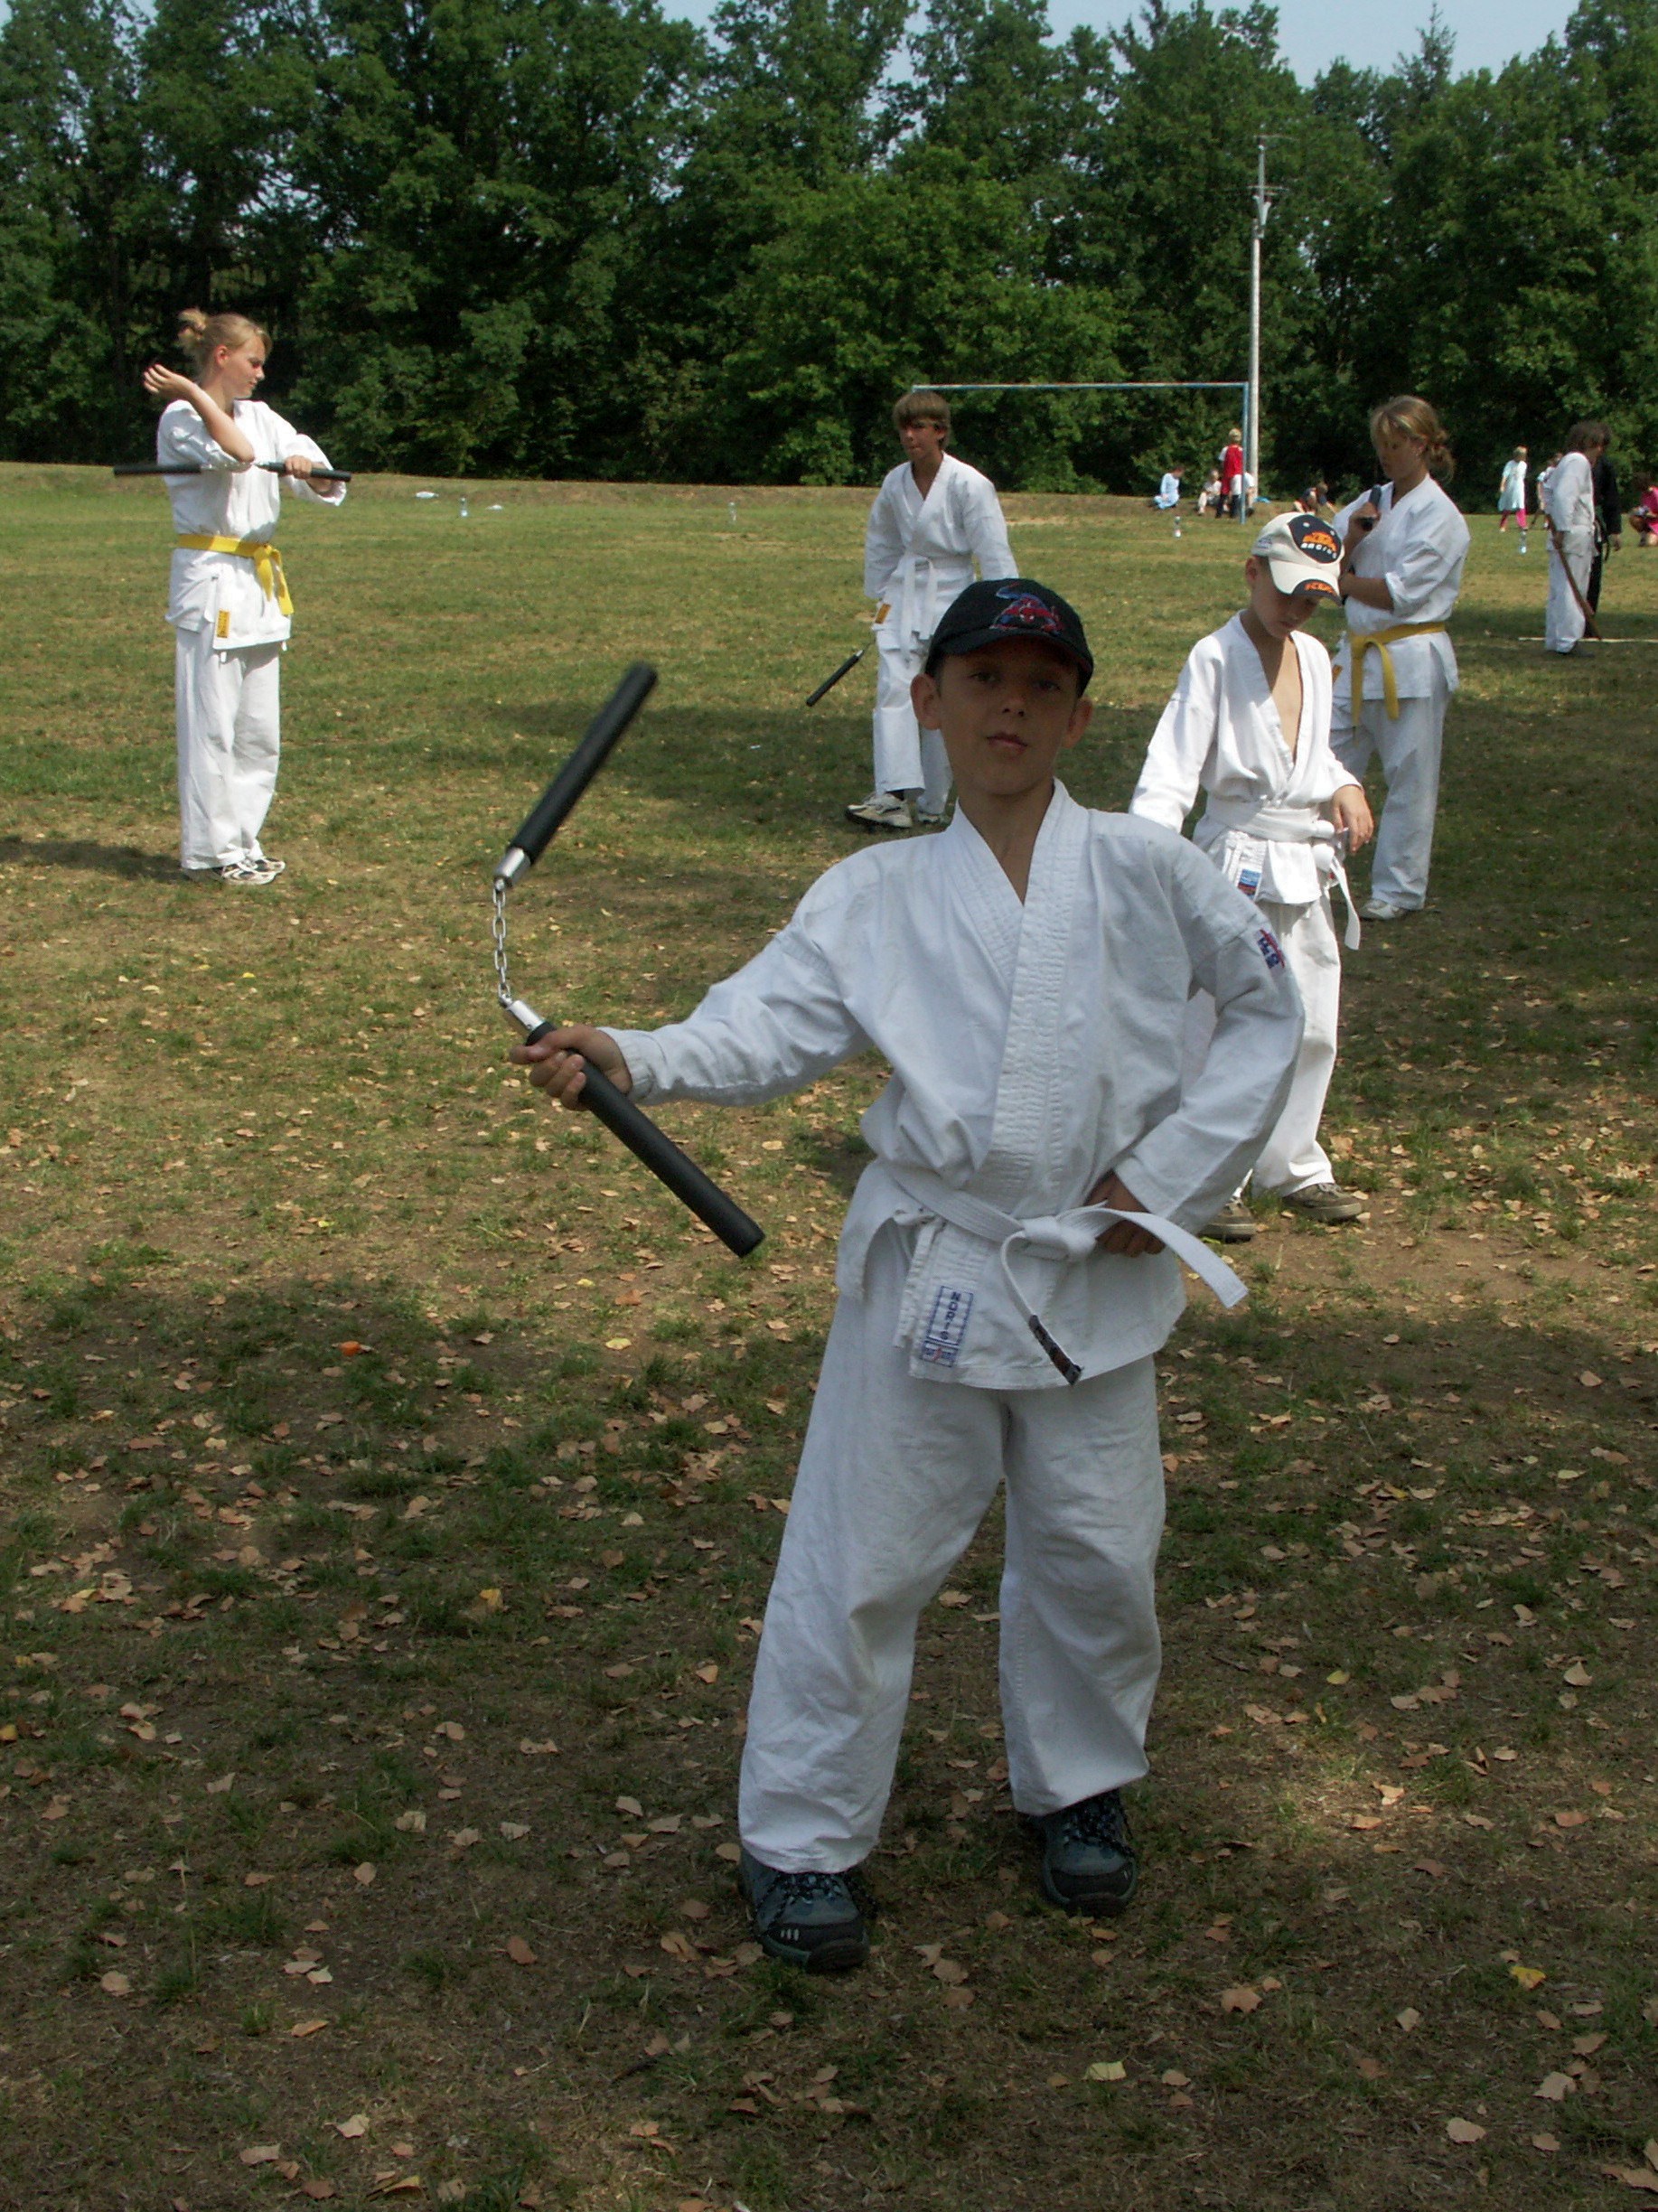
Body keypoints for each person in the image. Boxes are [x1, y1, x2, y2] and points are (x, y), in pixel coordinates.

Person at [515, 578, 1303, 1972]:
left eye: (1041, 688)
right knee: (861, 1562)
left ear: (1077, 719)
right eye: (982, 681)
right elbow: (760, 1028)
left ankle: (1079, 1786)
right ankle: (801, 1838)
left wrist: (1168, 1179)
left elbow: (1263, 1008)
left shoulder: (1147, 868)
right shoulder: (871, 894)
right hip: (934, 1266)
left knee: (1096, 1552)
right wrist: (632, 1054)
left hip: (1093, 1262)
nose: (1011, 708)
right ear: (927, 701)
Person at [1130, 514, 1372, 1243]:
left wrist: (1342, 783)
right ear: (1251, 571)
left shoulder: (1313, 656)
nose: (1297, 608)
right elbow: (1171, 769)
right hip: (1232, 862)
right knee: (1219, 1025)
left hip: (1302, 861)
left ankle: (1290, 1163)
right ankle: (1208, 1174)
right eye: (1287, 590)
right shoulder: (1214, 657)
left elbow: (1310, 754)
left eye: (1313, 598)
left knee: (1313, 1021)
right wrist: (1148, 866)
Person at [144, 307, 346, 885]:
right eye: (253, 362)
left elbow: (327, 479)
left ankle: (243, 842)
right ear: (222, 357)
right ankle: (210, 853)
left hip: (258, 587)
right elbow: (239, 454)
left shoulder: (261, 415)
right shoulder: (181, 418)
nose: (260, 373)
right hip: (210, 579)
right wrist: (191, 390)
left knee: (258, 731)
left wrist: (310, 470)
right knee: (211, 726)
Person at [846, 390, 1016, 834]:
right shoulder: (895, 482)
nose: (909, 436)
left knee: (942, 697)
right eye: (904, 428)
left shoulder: (969, 485)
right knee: (894, 691)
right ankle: (892, 795)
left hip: (953, 594)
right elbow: (881, 540)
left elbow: (993, 551)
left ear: (939, 432)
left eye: (918, 427)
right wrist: (882, 595)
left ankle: (934, 800)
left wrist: (1000, 611)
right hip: (903, 594)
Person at [1329, 396, 1470, 922]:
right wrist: (1350, 539)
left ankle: (1399, 888)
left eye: (1395, 445)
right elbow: (1321, 562)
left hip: (1410, 657)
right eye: (1381, 445)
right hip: (1356, 655)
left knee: (1410, 778)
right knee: (1324, 761)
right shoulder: (1369, 502)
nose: (1386, 455)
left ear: (1421, 445)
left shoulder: (1442, 517)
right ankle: (1313, 868)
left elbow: (1399, 593)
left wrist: (1344, 582)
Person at [1543, 423, 1606, 653]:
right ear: (1590, 443)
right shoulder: (1578, 462)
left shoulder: (1566, 462)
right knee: (1573, 588)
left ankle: (1556, 638)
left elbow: (1549, 492)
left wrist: (1557, 526)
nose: (1600, 451)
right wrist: (1562, 529)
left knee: (1561, 588)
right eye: (1598, 445)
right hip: (1574, 533)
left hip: (1566, 532)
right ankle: (1568, 640)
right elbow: (1564, 497)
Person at [1588, 433, 1622, 614]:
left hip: (1594, 524)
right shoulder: (1571, 464)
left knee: (1594, 575)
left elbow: (1611, 498)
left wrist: (1614, 530)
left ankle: (1589, 617)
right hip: (1573, 525)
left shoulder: (1604, 465)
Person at [1497, 446, 1529, 542]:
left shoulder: (1524, 465)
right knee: (1508, 506)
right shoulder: (1510, 464)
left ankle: (1522, 525)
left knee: (1520, 505)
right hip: (1510, 487)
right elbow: (1505, 475)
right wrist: (1502, 485)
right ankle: (1502, 525)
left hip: (1519, 488)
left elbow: (1522, 477)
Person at [1221, 428, 1245, 520]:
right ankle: (1233, 514)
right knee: (1236, 494)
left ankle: (1219, 513)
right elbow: (1243, 462)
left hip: (1227, 472)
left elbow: (1222, 462)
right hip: (1237, 473)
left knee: (1224, 493)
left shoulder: (1225, 449)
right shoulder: (1241, 450)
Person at [1631, 473, 1658, 547]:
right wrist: (1639, 510)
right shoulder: (1644, 495)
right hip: (1649, 522)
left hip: (1656, 523)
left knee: (1650, 543)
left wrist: (1653, 515)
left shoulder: (1656, 494)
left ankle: (1652, 537)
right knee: (1633, 518)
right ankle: (1644, 537)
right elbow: (1645, 508)